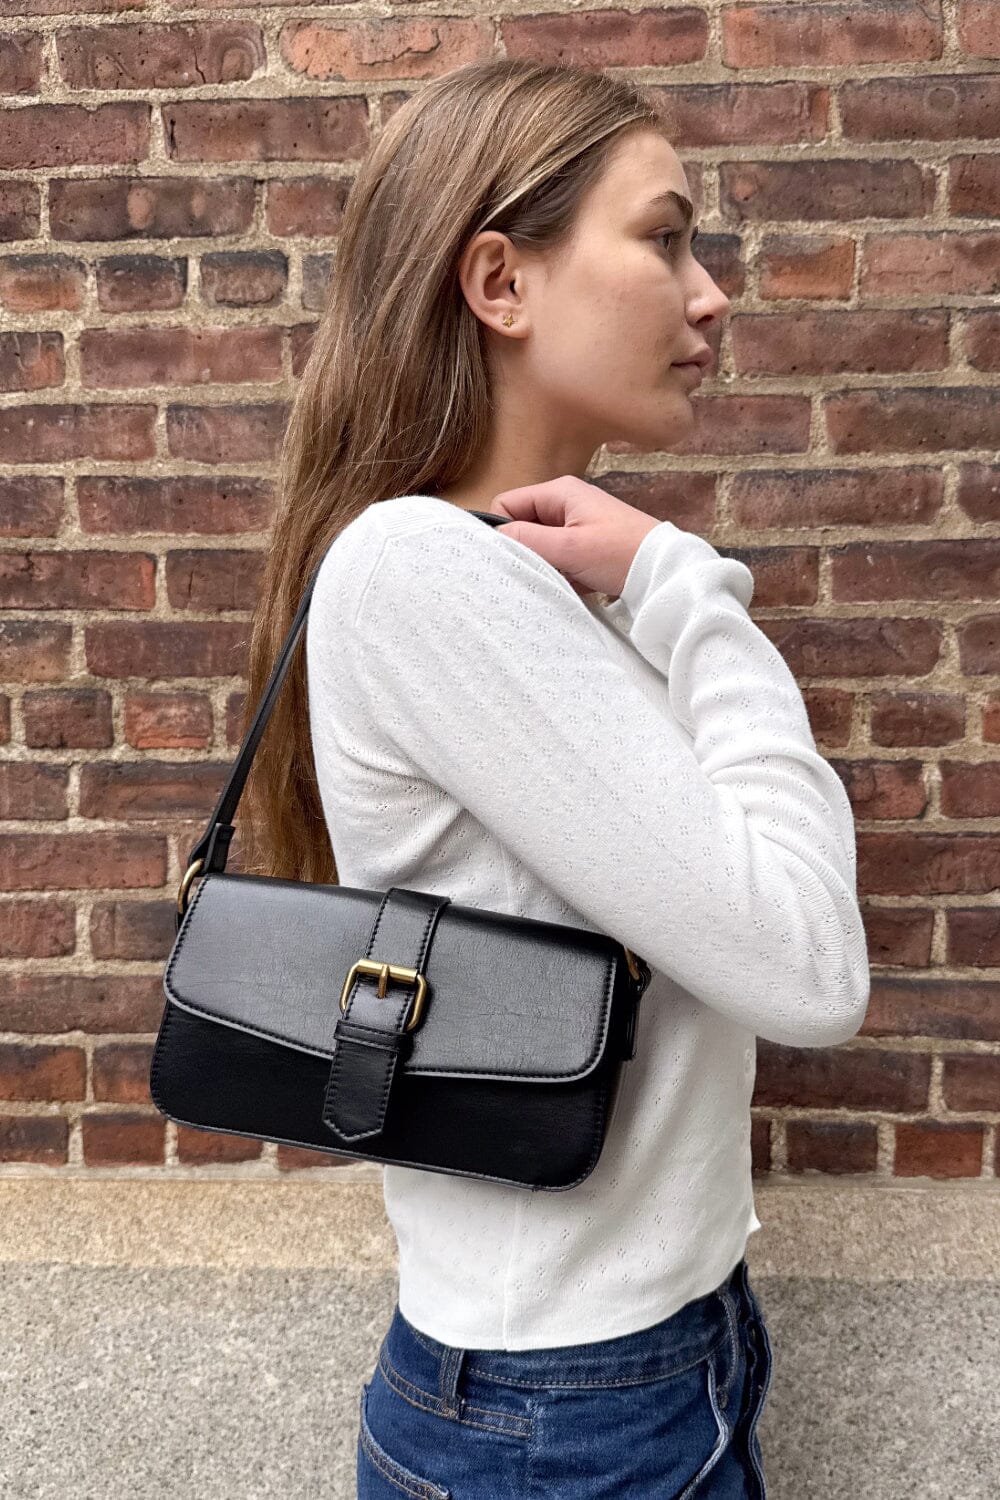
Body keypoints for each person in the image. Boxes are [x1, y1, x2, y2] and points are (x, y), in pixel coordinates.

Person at [238, 57, 871, 1499]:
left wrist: (644, 587)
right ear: (500, 282)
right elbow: (810, 970)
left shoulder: (533, 587)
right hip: (564, 1415)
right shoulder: (424, 573)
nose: (711, 295)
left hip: (627, 1372)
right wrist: (688, 587)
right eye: (665, 238)